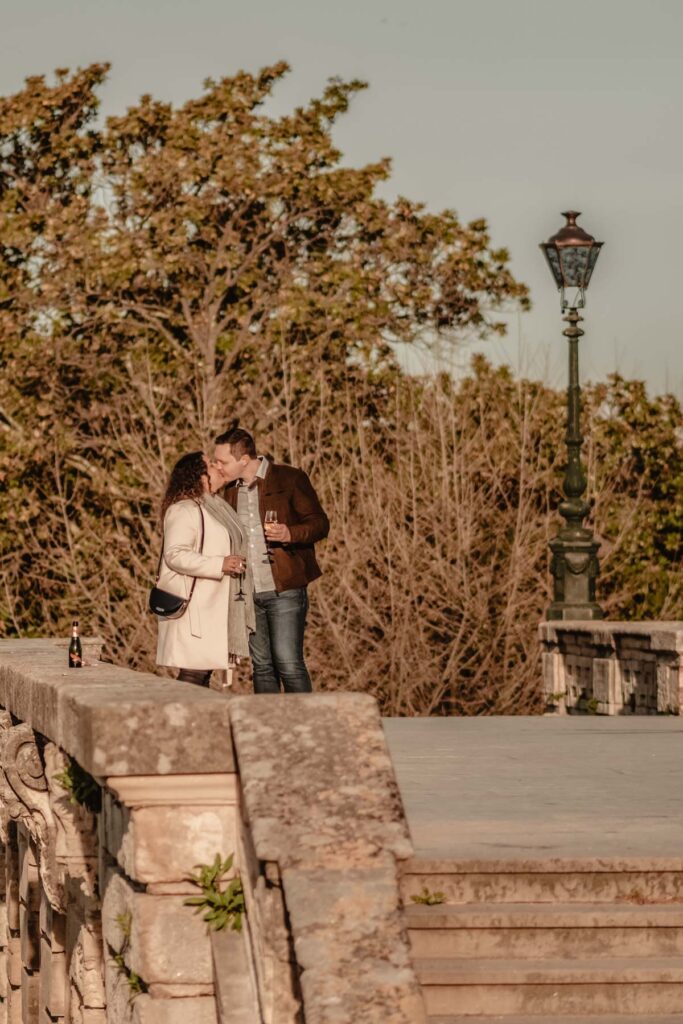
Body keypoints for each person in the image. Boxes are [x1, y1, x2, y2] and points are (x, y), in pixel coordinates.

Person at [213, 427, 329, 693]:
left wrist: (290, 533)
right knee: (262, 666)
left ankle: (305, 727)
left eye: (223, 461)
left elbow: (320, 524)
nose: (218, 466)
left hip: (285, 588)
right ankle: (270, 729)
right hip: (247, 592)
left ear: (243, 460)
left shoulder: (290, 478)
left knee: (288, 663)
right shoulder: (228, 491)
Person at [156, 451, 255, 687]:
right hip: (195, 609)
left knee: (201, 674)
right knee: (193, 674)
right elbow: (175, 555)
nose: (217, 467)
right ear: (199, 476)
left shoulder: (216, 507)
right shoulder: (184, 509)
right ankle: (182, 723)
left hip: (213, 606)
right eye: (210, 465)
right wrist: (219, 564)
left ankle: (190, 723)